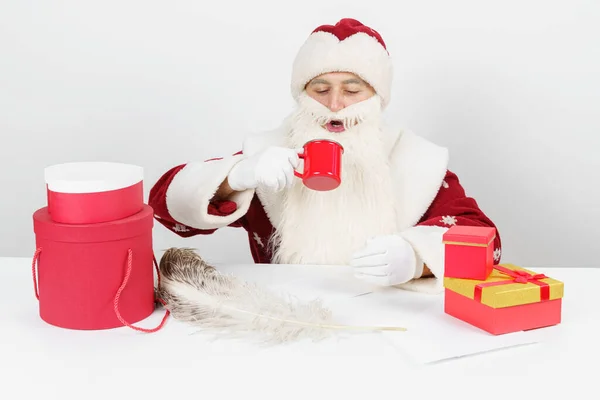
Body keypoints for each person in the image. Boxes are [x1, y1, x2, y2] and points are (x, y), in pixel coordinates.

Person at [149, 18, 502, 294]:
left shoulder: (416, 159)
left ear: (376, 97)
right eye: (320, 89)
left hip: (388, 318)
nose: (335, 105)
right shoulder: (269, 154)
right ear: (301, 94)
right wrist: (237, 176)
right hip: (289, 315)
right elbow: (165, 209)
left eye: (352, 90)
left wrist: (416, 259)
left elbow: (485, 241)